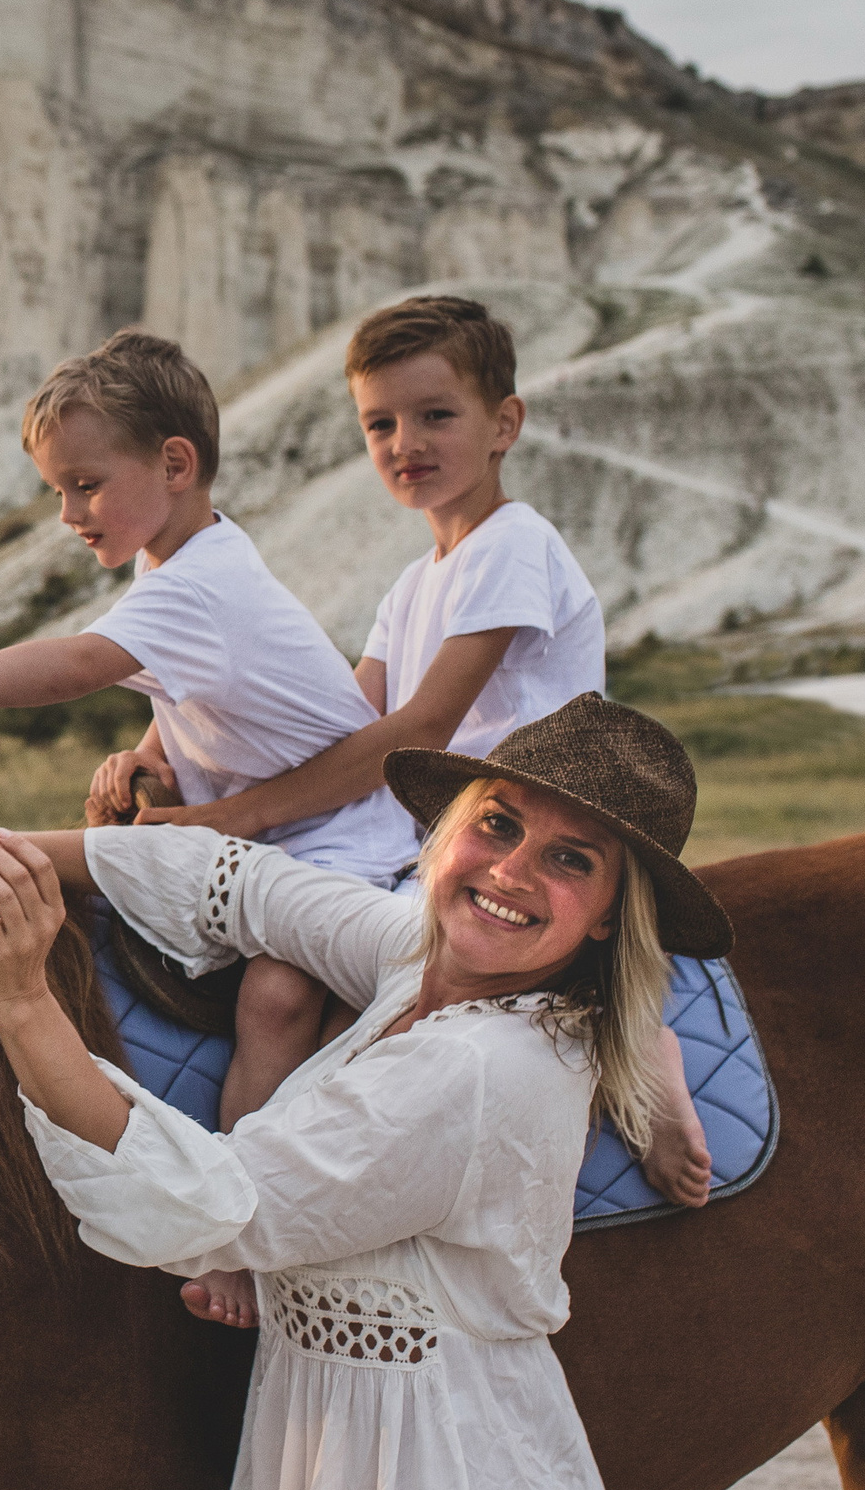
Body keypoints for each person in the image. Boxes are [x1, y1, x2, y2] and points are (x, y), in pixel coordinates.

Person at [0, 692, 734, 1490]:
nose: (514, 871)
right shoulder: (421, 959)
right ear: (450, 832)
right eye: (498, 824)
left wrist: (18, 998)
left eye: (571, 860)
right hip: (359, 1469)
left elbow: (212, 1199)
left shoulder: (481, 1067)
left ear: (609, 916)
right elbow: (245, 881)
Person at [136, 296, 709, 1208]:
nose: (407, 440)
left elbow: (416, 732)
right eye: (381, 422)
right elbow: (339, 717)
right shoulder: (412, 583)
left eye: (436, 415)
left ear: (503, 425)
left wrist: (228, 818)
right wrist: (163, 741)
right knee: (277, 993)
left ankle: (641, 1041)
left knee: (409, 1003)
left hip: (518, 831)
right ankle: (237, 1205)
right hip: (421, 840)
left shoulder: (514, 547)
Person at [0, 328, 417, 1110]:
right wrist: (147, 752)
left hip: (338, 836)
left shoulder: (198, 583)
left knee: (278, 997)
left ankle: (250, 1178)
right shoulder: (176, 554)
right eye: (57, 490)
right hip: (262, 832)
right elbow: (189, 683)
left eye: (85, 485)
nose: (68, 513)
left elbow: (79, 664)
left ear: (173, 465)